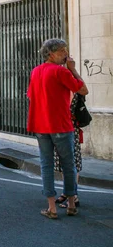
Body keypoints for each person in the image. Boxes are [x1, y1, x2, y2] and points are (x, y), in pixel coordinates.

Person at [27, 38, 88, 219]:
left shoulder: (36, 71)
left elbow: (30, 96)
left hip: (40, 125)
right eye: (62, 51)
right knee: (68, 165)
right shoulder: (61, 72)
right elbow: (83, 90)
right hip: (61, 125)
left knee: (46, 165)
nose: (66, 55)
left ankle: (52, 207)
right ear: (51, 53)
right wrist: (73, 69)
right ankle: (70, 204)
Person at [54, 95, 83, 209]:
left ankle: (74, 196)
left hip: (70, 129)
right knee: (62, 162)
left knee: (72, 163)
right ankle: (67, 192)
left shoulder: (75, 90)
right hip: (60, 128)